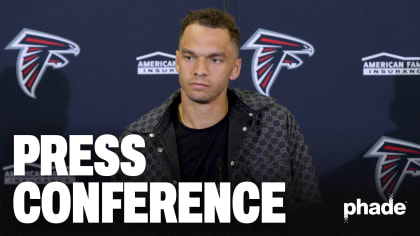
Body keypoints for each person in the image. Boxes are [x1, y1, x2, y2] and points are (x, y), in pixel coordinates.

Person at [119, 8, 321, 207]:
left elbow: (312, 216)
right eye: (190, 57)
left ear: (235, 68)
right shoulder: (138, 141)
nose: (200, 70)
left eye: (215, 59)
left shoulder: (275, 124)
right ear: (177, 62)